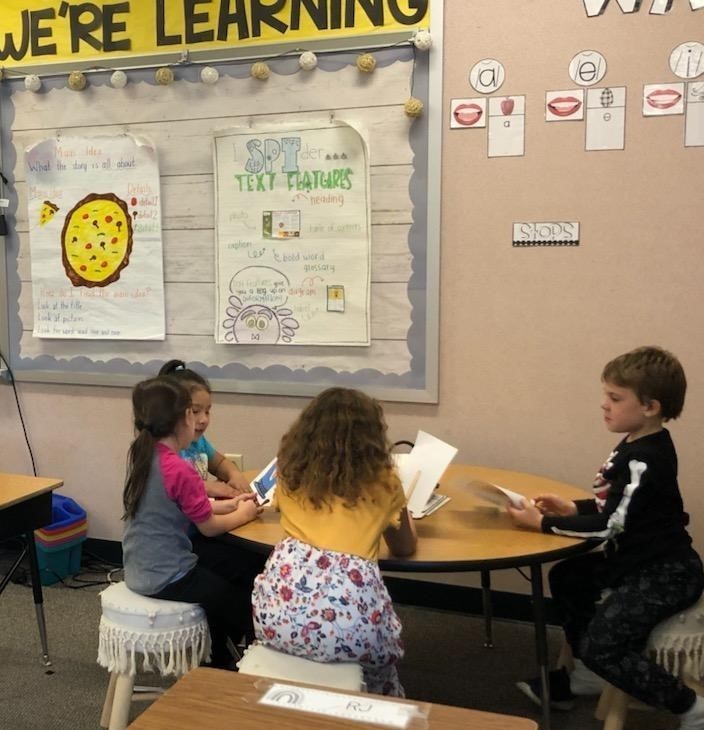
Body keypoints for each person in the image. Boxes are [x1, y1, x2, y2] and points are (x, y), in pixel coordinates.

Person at [508, 346, 704, 729]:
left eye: (615, 398)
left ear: (650, 406)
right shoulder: (635, 442)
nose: (604, 405)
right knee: (568, 577)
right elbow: (616, 505)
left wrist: (543, 524)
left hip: (665, 573)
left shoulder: (645, 459)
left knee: (605, 646)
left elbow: (611, 525)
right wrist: (572, 509)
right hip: (632, 562)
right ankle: (586, 674)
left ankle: (690, 706)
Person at [251, 387, 417, 697]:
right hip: (350, 626)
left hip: (277, 618)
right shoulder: (384, 481)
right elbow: (404, 547)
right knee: (380, 666)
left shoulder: (290, 474)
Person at [122, 376, 263, 668]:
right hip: (169, 575)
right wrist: (244, 513)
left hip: (140, 567)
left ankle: (218, 656)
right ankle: (232, 670)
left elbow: (191, 507)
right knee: (245, 604)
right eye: (194, 412)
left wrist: (231, 504)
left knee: (235, 570)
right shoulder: (180, 469)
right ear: (184, 417)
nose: (200, 420)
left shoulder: (144, 454)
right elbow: (208, 526)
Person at [158, 359, 249, 498]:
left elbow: (220, 464)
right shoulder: (162, 451)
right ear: (169, 411)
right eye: (195, 411)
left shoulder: (199, 442)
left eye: (207, 411)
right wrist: (210, 488)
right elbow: (177, 485)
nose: (204, 419)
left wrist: (234, 474)